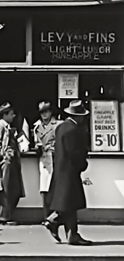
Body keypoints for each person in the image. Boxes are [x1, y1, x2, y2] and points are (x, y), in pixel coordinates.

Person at [43, 100, 92, 246]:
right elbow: (75, 153)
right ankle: (54, 221)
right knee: (70, 202)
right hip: (70, 172)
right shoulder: (73, 130)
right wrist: (83, 164)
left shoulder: (61, 127)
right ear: (78, 116)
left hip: (61, 171)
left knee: (69, 204)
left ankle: (71, 233)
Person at [0, 102, 25, 225]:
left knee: (13, 189)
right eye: (11, 114)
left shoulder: (8, 127)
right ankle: (4, 216)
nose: (13, 116)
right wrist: (4, 155)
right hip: (5, 163)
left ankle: (7, 215)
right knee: (5, 189)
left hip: (11, 161)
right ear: (4, 115)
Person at [33, 101, 62, 221]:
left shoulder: (58, 125)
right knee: (44, 188)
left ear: (51, 112)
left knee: (54, 187)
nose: (44, 114)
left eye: (46, 111)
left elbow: (61, 142)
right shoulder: (36, 126)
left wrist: (53, 147)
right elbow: (35, 141)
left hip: (54, 157)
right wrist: (37, 147)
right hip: (44, 158)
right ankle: (46, 216)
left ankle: (54, 216)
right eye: (41, 112)